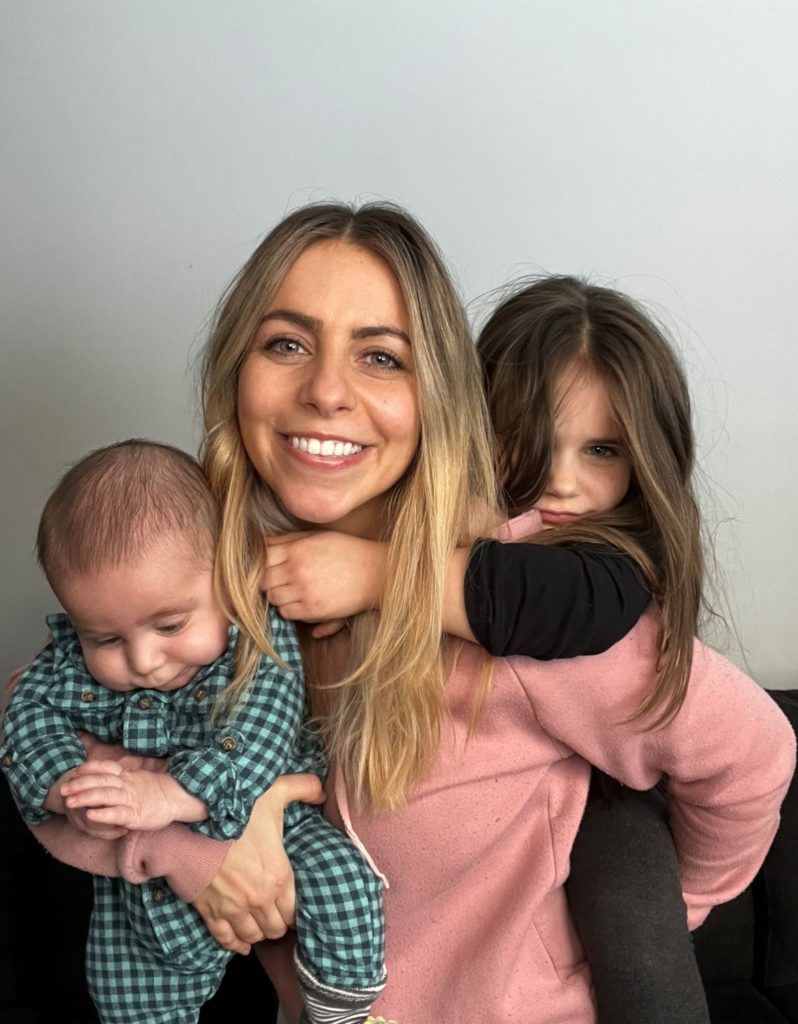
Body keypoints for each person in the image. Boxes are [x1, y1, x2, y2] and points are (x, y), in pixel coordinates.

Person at [13, 203, 795, 1024]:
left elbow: (752, 756)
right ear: (235, 371)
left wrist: (655, 928)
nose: (326, 391)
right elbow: (36, 716)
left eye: (381, 357)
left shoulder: (523, 610)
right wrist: (185, 849)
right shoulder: (203, 576)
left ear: (437, 397)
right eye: (287, 344)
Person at [262, 273, 718, 1021]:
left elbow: (756, 755)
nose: (557, 482)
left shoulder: (594, 597)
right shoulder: (399, 522)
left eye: (603, 449)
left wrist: (673, 915)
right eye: (524, 441)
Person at [0, 440, 385, 1024]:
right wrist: (65, 786)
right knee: (126, 987)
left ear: (228, 581)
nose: (144, 660)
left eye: (170, 625)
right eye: (106, 638)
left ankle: (341, 1010)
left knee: (341, 879)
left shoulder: (256, 641)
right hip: (142, 896)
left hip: (275, 827)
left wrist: (173, 794)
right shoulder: (66, 664)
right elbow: (25, 715)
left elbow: (264, 728)